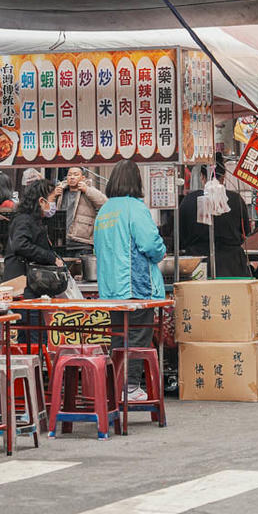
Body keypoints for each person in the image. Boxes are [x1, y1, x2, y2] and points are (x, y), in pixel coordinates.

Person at [92, 160, 167, 401]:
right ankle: (130, 386)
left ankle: (117, 386)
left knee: (118, 337)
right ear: (136, 181)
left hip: (111, 288)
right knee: (137, 337)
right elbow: (150, 244)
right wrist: (162, 250)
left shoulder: (104, 210)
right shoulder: (135, 207)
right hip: (135, 287)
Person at [177, 163, 251, 278]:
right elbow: (245, 232)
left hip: (197, 264)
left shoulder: (188, 200)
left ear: (202, 176)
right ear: (223, 176)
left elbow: (180, 236)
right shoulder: (236, 200)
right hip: (232, 265)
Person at [3, 178, 65, 289]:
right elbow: (21, 245)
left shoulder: (34, 220)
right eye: (53, 199)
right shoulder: (24, 220)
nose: (53, 204)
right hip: (21, 282)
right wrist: (51, 258)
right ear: (41, 201)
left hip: (30, 281)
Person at [59, 166, 109, 254]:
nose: (72, 177)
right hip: (63, 241)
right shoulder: (61, 191)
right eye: (69, 175)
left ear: (83, 178)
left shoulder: (89, 190)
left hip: (83, 242)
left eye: (76, 175)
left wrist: (87, 190)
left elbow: (105, 204)